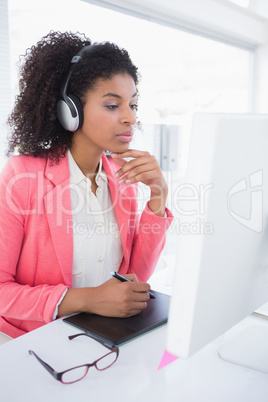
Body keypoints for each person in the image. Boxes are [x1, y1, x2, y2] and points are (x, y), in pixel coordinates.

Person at [0, 31, 173, 339]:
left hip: (98, 338)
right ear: (71, 111)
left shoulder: (124, 181)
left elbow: (134, 281)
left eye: (132, 105)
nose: (130, 118)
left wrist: (158, 196)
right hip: (29, 342)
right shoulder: (22, 176)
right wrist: (87, 299)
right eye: (111, 105)